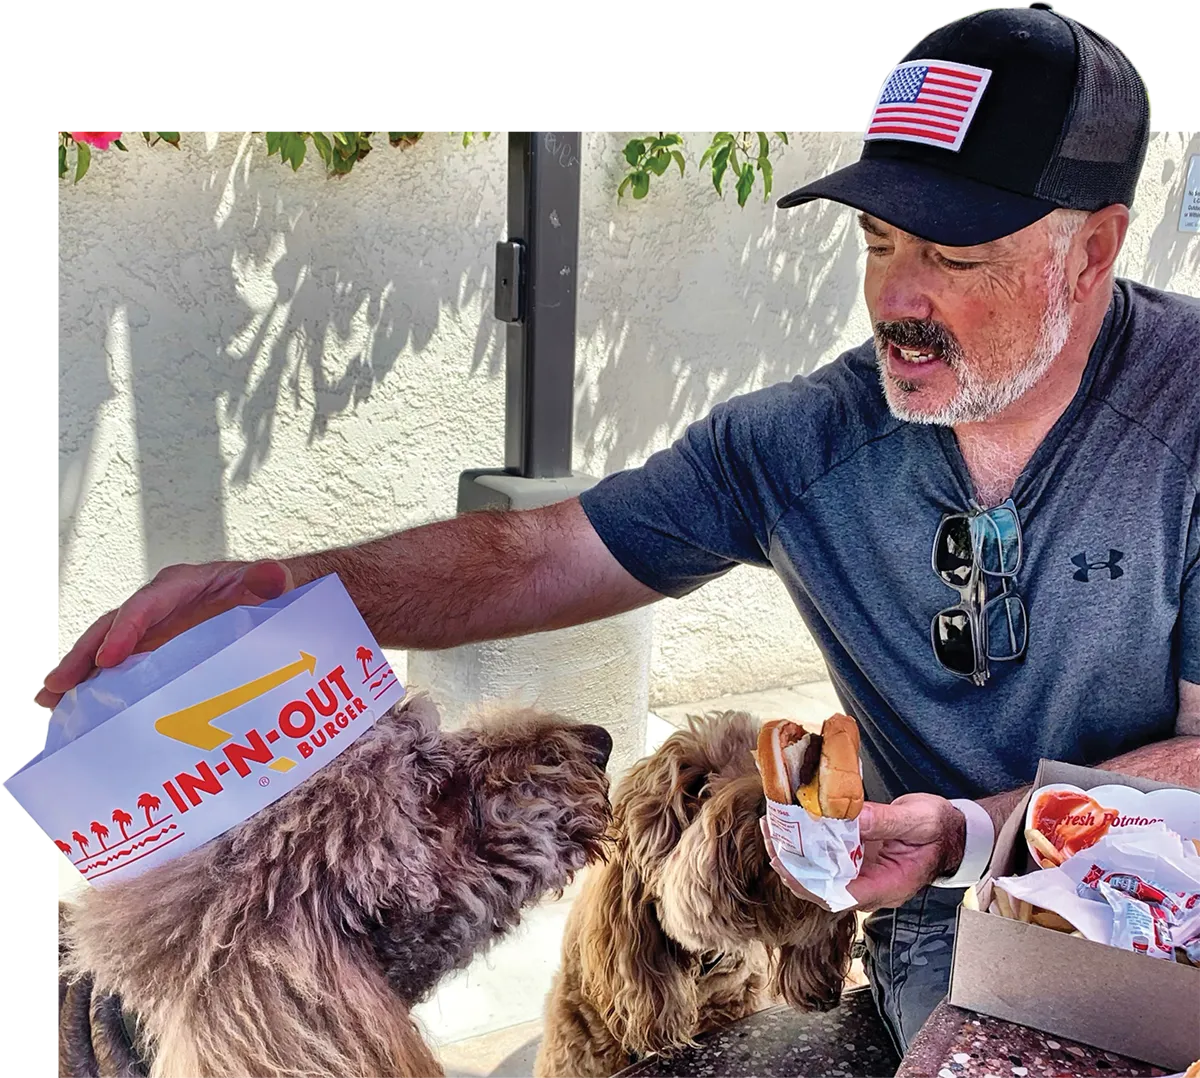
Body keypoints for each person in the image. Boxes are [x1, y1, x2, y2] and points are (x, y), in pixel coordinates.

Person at [37, 3, 1199, 1055]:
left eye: (952, 256)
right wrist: (285, 583)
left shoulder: (1183, 419)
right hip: (962, 936)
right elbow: (542, 553)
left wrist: (970, 823)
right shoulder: (799, 447)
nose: (898, 299)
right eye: (878, 243)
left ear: (1091, 250)